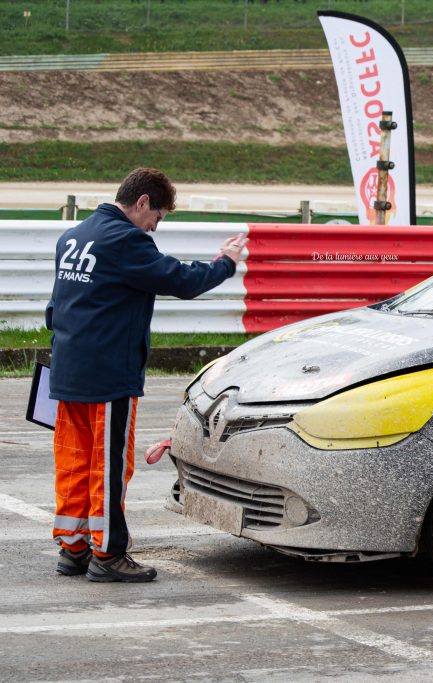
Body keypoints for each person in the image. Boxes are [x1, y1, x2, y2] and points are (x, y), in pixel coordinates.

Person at [45, 168, 248, 583]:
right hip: (108, 376)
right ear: (141, 203)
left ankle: (74, 547)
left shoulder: (74, 236)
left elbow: (53, 309)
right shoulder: (125, 241)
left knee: (74, 461)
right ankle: (109, 555)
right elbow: (182, 280)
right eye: (158, 216)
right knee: (109, 468)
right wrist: (225, 263)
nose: (156, 225)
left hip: (67, 373)